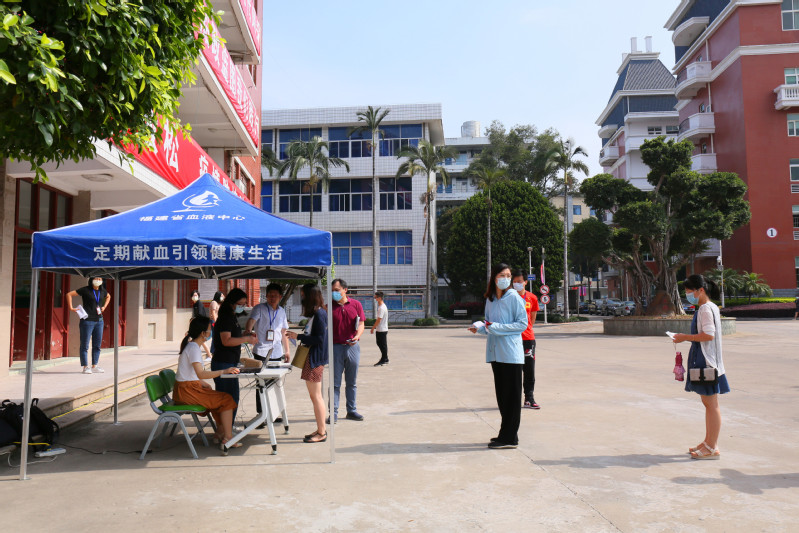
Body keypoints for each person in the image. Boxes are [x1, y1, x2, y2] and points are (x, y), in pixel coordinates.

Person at [468, 263, 527, 449]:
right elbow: (489, 324)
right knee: (502, 397)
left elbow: (522, 324)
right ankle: (505, 434)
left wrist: (495, 327)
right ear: (494, 277)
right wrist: (479, 328)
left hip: (511, 354)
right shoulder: (491, 299)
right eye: (502, 275)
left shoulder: (514, 297)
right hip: (495, 353)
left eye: (508, 275)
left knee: (512, 398)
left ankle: (510, 438)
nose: (506, 279)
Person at [672, 274, 729, 460]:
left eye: (690, 292)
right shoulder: (711, 307)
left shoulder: (705, 309)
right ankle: (707, 442)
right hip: (711, 360)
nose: (688, 295)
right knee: (708, 404)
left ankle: (712, 447)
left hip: (707, 362)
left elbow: (708, 335)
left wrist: (684, 337)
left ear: (701, 290)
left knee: (711, 404)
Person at [174, 316, 241, 451]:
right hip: (186, 392)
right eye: (210, 330)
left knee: (218, 398)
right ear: (202, 333)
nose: (211, 332)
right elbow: (201, 373)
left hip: (187, 388)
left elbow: (190, 373)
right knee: (226, 399)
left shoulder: (192, 346)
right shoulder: (193, 348)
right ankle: (227, 438)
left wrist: (202, 383)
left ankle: (220, 433)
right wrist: (224, 371)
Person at [285, 284, 329, 443]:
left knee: (316, 396)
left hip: (315, 359)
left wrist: (298, 337)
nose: (302, 298)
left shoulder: (320, 314)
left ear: (311, 296)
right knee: (315, 396)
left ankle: (322, 432)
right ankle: (320, 429)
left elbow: (319, 339)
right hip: (313, 358)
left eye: (303, 295)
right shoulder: (317, 313)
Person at [245, 283, 290, 419]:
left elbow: (283, 332)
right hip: (261, 351)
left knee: (275, 382)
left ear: (280, 297)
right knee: (261, 383)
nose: (272, 298)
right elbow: (251, 321)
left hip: (276, 352)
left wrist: (287, 351)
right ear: (266, 296)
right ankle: (262, 414)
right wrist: (248, 331)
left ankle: (273, 414)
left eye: (275, 296)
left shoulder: (282, 311)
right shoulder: (259, 308)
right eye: (270, 295)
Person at [211, 287, 256, 419]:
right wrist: (246, 339)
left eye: (244, 304)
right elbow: (226, 341)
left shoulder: (232, 316)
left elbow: (232, 336)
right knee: (228, 399)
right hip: (223, 362)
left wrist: (244, 335)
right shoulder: (226, 317)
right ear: (231, 302)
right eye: (240, 304)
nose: (242, 307)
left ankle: (226, 428)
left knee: (231, 397)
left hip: (229, 362)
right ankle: (225, 429)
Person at [330, 278, 365, 422]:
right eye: (332, 291)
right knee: (335, 383)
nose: (334, 293)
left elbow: (361, 323)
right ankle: (333, 412)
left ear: (345, 290)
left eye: (337, 290)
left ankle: (351, 410)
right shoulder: (329, 307)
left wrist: (357, 336)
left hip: (352, 347)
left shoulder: (356, 305)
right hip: (335, 347)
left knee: (352, 382)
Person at [67, 277, 111, 374]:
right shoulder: (86, 290)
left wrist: (104, 306)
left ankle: (95, 365)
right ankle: (85, 367)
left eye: (100, 279)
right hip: (87, 321)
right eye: (96, 278)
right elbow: (69, 294)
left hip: (99, 321)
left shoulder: (102, 291)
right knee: (85, 345)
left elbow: (109, 296)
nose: (98, 280)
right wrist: (71, 307)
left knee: (97, 345)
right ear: (91, 280)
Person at [512, 270, 540, 409]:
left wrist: (526, 330)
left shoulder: (532, 298)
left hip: (528, 338)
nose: (517, 284)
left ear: (525, 282)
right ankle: (513, 399)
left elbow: (532, 318)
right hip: (512, 339)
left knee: (529, 370)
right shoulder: (508, 297)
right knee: (513, 370)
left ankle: (529, 398)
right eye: (514, 281)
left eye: (519, 281)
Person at [371, 291, 389, 366]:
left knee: (382, 345)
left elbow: (379, 319)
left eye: (376, 297)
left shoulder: (381, 308)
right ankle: (385, 358)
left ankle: (384, 359)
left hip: (382, 329)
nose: (375, 299)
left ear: (380, 298)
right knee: (380, 343)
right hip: (381, 329)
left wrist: (373, 328)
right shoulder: (381, 306)